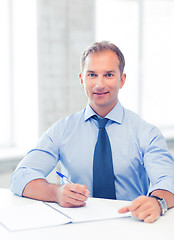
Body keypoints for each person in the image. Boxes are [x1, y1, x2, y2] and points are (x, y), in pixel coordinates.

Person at [10, 41, 174, 223]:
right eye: (92, 75)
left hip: (132, 224)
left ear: (122, 80)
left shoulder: (146, 133)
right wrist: (56, 193)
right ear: (82, 79)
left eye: (109, 75)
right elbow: (20, 176)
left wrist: (157, 202)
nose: (99, 84)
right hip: (79, 227)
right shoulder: (62, 130)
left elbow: (167, 180)